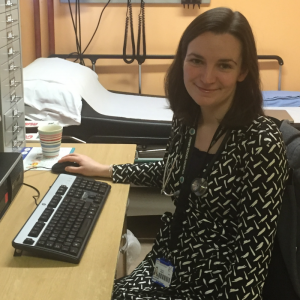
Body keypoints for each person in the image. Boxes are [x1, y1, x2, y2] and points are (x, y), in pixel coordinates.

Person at [59, 7, 289, 299]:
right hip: (167, 263)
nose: (207, 77)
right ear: (183, 60)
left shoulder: (261, 144)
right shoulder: (187, 119)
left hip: (213, 285)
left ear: (243, 71)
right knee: (94, 289)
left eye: (224, 65)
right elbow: (171, 172)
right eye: (196, 61)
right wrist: (104, 169)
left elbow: (250, 268)